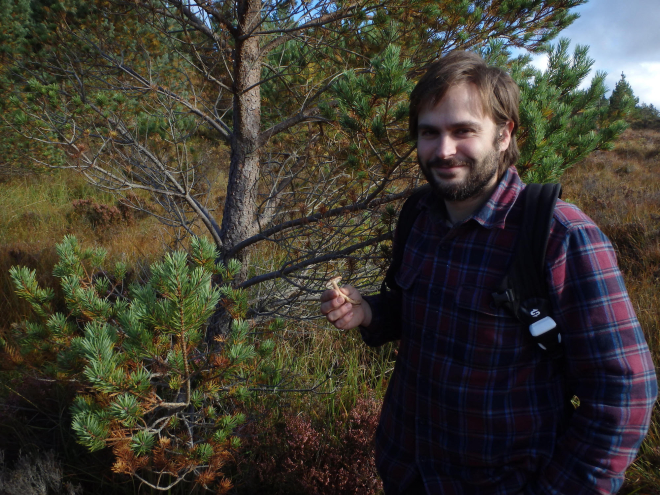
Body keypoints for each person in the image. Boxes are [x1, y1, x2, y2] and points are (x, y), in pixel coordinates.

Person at [319, 51, 658, 495]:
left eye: (463, 131)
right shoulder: (418, 216)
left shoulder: (560, 235)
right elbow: (418, 314)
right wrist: (370, 312)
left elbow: (624, 395)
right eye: (429, 132)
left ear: (504, 134)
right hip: (408, 472)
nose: (443, 150)